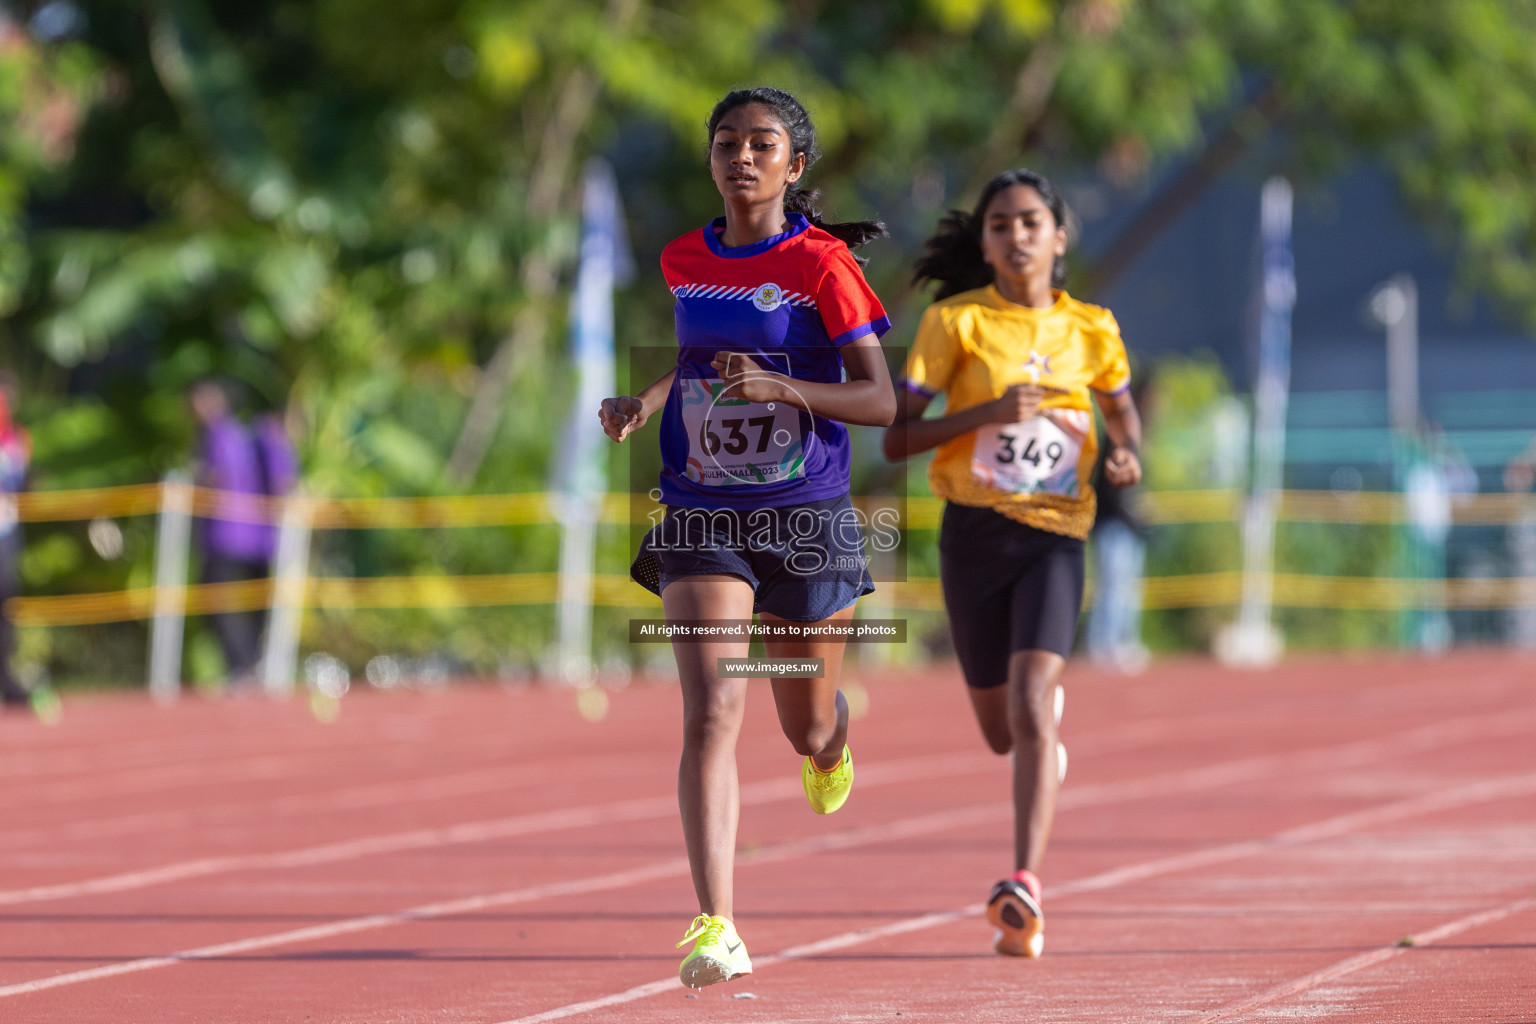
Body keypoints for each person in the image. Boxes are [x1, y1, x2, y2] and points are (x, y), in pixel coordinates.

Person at [598, 87, 894, 989]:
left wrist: (783, 388)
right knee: (712, 707)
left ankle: (832, 744)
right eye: (727, 143)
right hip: (701, 506)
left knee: (802, 722)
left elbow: (880, 400)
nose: (743, 158)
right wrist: (643, 403)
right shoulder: (685, 257)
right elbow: (694, 358)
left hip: (803, 511)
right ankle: (716, 923)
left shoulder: (822, 264)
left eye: (763, 145)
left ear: (794, 166)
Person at [882, 169, 1142, 958]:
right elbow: (896, 437)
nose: (1016, 235)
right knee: (1003, 732)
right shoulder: (954, 324)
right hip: (973, 534)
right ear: (986, 241)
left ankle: (1024, 884)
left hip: (1055, 536)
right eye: (1000, 224)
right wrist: (987, 415)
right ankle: (1038, 748)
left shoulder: (1094, 328)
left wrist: (1127, 456)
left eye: (1031, 222)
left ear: (1059, 236)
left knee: (1034, 703)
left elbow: (1125, 421)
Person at [189, 380, 280, 689]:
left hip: (226, 534)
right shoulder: (244, 433)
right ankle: (250, 664)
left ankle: (243, 666)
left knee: (219, 602)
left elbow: (216, 477)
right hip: (255, 535)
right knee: (243, 603)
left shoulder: (218, 434)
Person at [1087, 374, 1153, 674]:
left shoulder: (1137, 435)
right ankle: (1104, 645)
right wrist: (1133, 518)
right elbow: (1112, 490)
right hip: (1112, 524)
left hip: (1125, 525)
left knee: (1126, 588)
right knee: (1112, 587)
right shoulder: (1118, 434)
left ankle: (1120, 641)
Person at [0, 372, 32, 707]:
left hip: (7, 532)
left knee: (5, 606)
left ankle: (7, 680)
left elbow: (20, 484)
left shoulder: (18, 438)